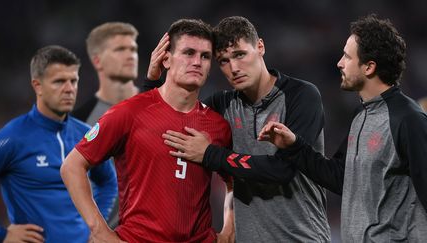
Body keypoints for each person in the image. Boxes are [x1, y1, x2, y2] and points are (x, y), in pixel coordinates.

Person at [147, 16, 330, 242]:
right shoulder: (223, 105)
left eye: (240, 55)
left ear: (260, 47)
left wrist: (210, 154)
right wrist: (153, 83)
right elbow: (163, 128)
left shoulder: (301, 95)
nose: (233, 68)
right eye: (223, 61)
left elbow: (282, 170)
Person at [255, 14, 427, 242]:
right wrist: (294, 146)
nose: (339, 62)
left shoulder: (408, 119)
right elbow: (341, 179)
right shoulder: (361, 115)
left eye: (347, 56)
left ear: (369, 67)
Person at [60, 19, 232, 242]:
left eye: (205, 56)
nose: (197, 62)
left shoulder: (218, 126)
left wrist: (229, 228)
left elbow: (234, 182)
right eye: (188, 53)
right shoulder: (129, 112)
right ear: (166, 59)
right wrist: (100, 230)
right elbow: (72, 167)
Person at [0, 45, 117, 243]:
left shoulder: (85, 134)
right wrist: (2, 235)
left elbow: (108, 181)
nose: (69, 89)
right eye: (59, 81)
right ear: (37, 86)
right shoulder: (13, 137)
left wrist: (96, 226)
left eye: (73, 81)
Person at [71, 21, 139, 228]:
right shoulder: (78, 121)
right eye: (120, 49)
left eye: (133, 49)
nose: (131, 55)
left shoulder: (160, 107)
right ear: (98, 61)